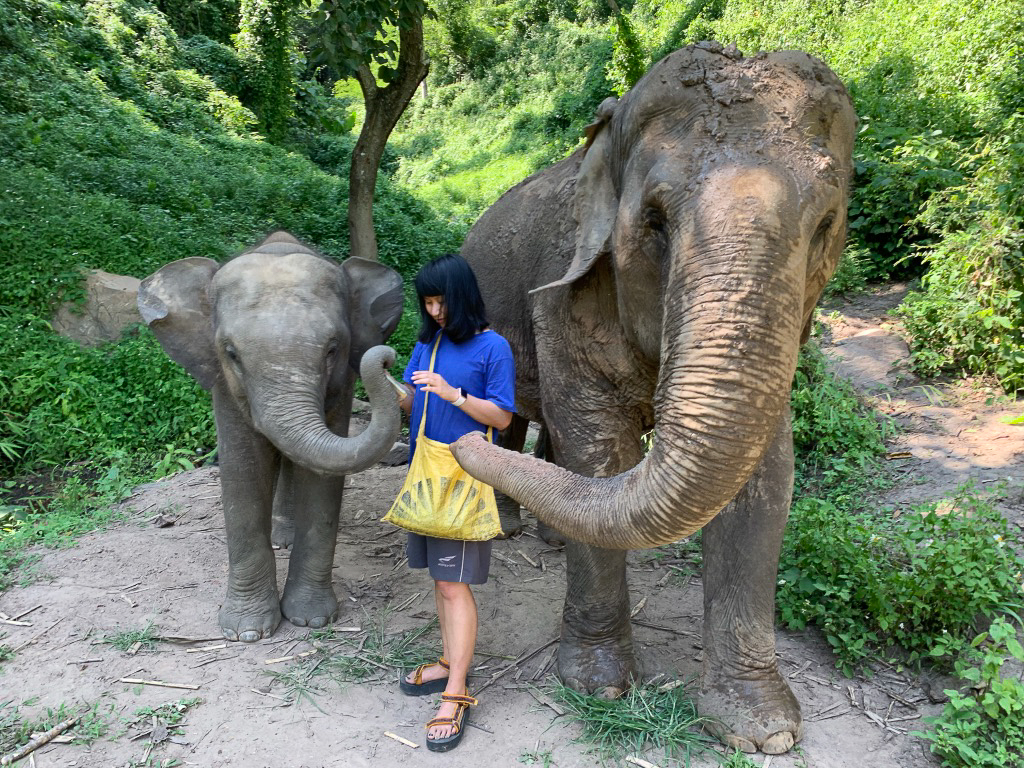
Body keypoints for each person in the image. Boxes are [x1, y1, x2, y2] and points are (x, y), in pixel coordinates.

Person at [394, 252, 515, 752]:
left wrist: (455, 394)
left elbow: (503, 419)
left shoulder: (493, 348)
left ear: (462, 295)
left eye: (441, 300)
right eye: (427, 302)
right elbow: (410, 399)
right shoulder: (429, 341)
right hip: (424, 475)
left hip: (465, 477)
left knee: (452, 583)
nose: (435, 310)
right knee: (440, 581)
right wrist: (390, 390)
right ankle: (448, 660)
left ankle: (457, 690)